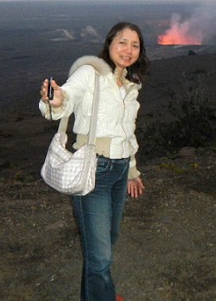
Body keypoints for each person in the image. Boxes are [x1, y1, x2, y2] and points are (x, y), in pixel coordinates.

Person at [39, 22, 148, 301]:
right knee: (100, 257)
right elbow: (67, 97)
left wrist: (132, 170)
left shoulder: (131, 85)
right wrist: (56, 99)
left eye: (135, 45)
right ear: (109, 44)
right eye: (122, 42)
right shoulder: (90, 73)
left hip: (120, 170)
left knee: (104, 245)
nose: (128, 49)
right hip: (95, 173)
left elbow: (127, 132)